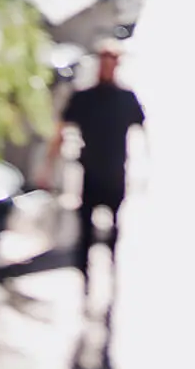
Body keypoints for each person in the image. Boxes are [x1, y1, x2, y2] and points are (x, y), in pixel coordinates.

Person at [39, 39, 146, 287]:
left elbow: (143, 130)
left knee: (114, 228)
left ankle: (113, 273)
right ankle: (85, 278)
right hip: (90, 173)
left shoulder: (126, 98)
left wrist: (146, 170)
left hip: (116, 173)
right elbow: (61, 131)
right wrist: (48, 167)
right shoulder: (84, 97)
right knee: (85, 231)